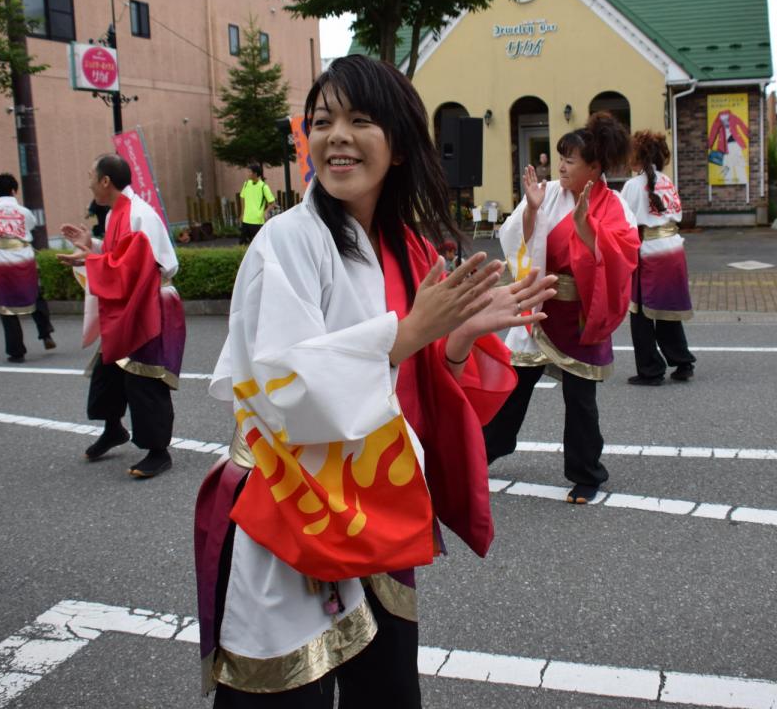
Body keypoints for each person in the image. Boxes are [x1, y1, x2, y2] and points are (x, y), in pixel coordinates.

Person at [194, 55, 555, 707]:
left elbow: (416, 388)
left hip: (375, 505)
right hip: (292, 505)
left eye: (360, 119)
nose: (337, 134)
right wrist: (409, 335)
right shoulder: (286, 243)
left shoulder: (407, 247)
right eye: (322, 119)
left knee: (387, 685)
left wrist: (456, 344)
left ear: (397, 143)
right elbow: (283, 387)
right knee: (286, 691)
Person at [484, 113, 640, 505]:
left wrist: (588, 228)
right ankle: (483, 451)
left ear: (595, 167)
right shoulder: (548, 192)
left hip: (581, 316)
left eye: (571, 159)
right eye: (562, 157)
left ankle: (587, 473)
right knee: (514, 386)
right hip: (541, 307)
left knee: (580, 398)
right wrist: (533, 210)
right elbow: (514, 237)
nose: (562, 166)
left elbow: (623, 253)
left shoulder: (614, 204)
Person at [59, 154, 187, 478]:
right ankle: (113, 428)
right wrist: (94, 248)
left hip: (151, 302)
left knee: (144, 376)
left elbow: (132, 268)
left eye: (91, 176)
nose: (88, 182)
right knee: (109, 367)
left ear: (105, 181)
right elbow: (121, 258)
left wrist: (89, 260)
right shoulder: (119, 211)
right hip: (135, 299)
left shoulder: (136, 213)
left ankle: (159, 452)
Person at [622, 131, 696, 385]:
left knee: (640, 314)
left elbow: (623, 221)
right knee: (668, 308)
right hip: (674, 248)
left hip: (650, 251)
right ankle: (682, 361)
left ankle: (651, 369)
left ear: (638, 155)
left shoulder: (633, 186)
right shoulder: (666, 180)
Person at [0, 174, 55, 362]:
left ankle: (17, 351)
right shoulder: (24, 212)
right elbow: (30, 226)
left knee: (6, 304)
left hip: (1, 257)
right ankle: (45, 332)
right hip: (24, 255)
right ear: (14, 190)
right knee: (35, 294)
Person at [238, 163, 276, 245]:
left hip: (257, 222)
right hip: (246, 220)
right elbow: (242, 197)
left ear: (255, 174)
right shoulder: (246, 184)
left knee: (258, 245)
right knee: (242, 245)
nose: (248, 174)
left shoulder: (263, 186)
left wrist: (265, 212)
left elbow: (272, 203)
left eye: (249, 172)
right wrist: (242, 213)